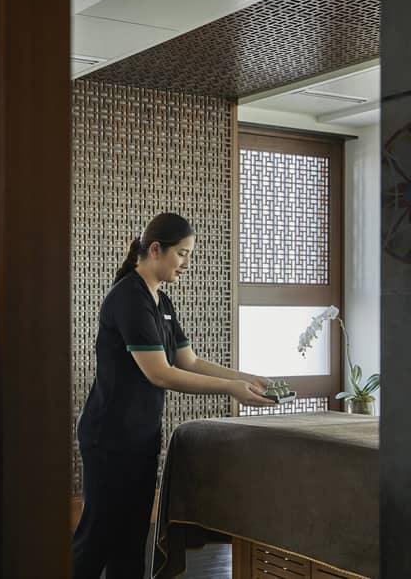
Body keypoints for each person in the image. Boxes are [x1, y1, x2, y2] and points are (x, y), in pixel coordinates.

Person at [72, 212, 276, 579]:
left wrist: (250, 378)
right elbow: (160, 373)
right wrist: (232, 390)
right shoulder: (128, 298)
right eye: (182, 254)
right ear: (155, 249)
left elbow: (190, 360)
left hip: (141, 437)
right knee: (97, 539)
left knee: (132, 542)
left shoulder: (161, 303)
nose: (186, 263)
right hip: (110, 439)